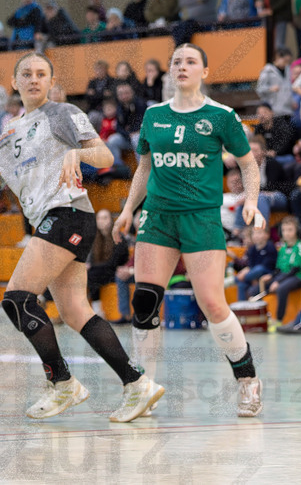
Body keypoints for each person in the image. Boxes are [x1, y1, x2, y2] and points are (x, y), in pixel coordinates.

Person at [0, 51, 161, 422]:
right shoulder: (7, 133)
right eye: (26, 74)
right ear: (14, 82)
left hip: (68, 214)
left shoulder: (62, 113)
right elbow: (12, 179)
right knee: (75, 311)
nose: (33, 79)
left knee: (16, 299)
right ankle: (137, 384)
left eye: (41, 74)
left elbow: (105, 156)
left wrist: (78, 154)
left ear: (50, 81)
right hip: (49, 219)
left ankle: (62, 383)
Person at [113, 43, 265, 418]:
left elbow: (249, 165)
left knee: (212, 303)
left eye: (191, 61)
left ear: (204, 72)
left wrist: (250, 199)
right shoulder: (154, 116)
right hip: (159, 217)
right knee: (145, 300)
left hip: (201, 217)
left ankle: (247, 380)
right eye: (177, 61)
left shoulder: (221, 116)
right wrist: (127, 209)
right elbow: (145, 168)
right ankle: (142, 388)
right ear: (170, 71)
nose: (183, 66)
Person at [259, 216, 301, 328]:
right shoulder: (283, 248)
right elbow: (279, 269)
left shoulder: (300, 247)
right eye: (284, 230)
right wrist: (271, 277)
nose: (286, 233)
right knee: (262, 286)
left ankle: (279, 320)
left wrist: (278, 282)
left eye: (290, 230)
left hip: (298, 276)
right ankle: (264, 319)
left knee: (281, 288)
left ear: (297, 231)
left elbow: (294, 270)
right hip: (285, 275)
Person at [234, 225, 277, 301]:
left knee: (259, 269)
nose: (256, 236)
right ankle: (242, 308)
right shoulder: (252, 249)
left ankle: (236, 279)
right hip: (254, 275)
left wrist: (249, 274)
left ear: (267, 235)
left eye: (259, 233)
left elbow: (267, 266)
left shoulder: (270, 247)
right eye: (254, 233)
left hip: (267, 275)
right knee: (241, 285)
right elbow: (251, 265)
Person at [257, 49, 295, 119]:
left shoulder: (288, 70)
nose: (286, 63)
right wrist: (270, 89)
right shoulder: (267, 70)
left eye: (288, 61)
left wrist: (292, 101)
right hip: (273, 110)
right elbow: (259, 89)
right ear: (278, 58)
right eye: (285, 61)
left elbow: (288, 88)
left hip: (287, 110)